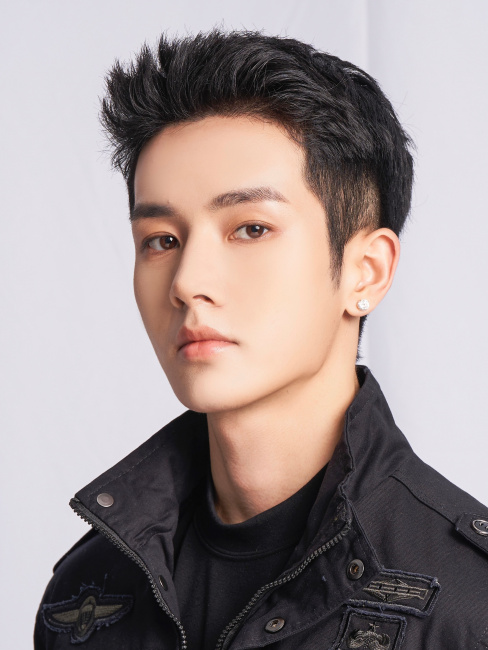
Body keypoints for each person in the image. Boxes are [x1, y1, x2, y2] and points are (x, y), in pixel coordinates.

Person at [34, 29, 488, 650]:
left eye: (250, 229)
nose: (188, 282)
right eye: (161, 240)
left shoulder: (469, 605)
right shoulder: (89, 596)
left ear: (366, 271)